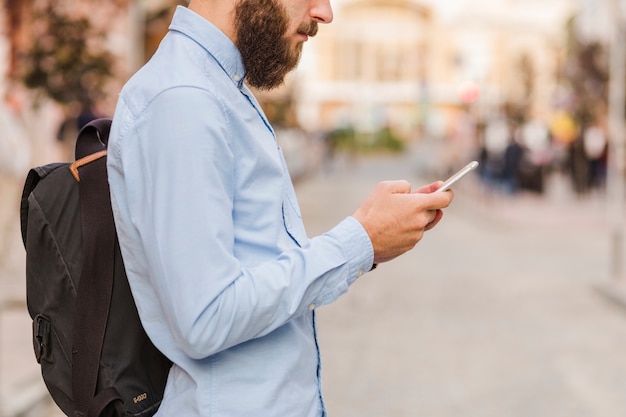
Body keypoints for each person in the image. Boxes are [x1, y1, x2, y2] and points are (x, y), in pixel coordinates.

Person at [106, 1, 454, 416]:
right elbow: (205, 316)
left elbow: (257, 267)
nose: (324, 13)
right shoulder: (184, 99)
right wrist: (359, 240)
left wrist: (371, 238)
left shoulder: (217, 87)